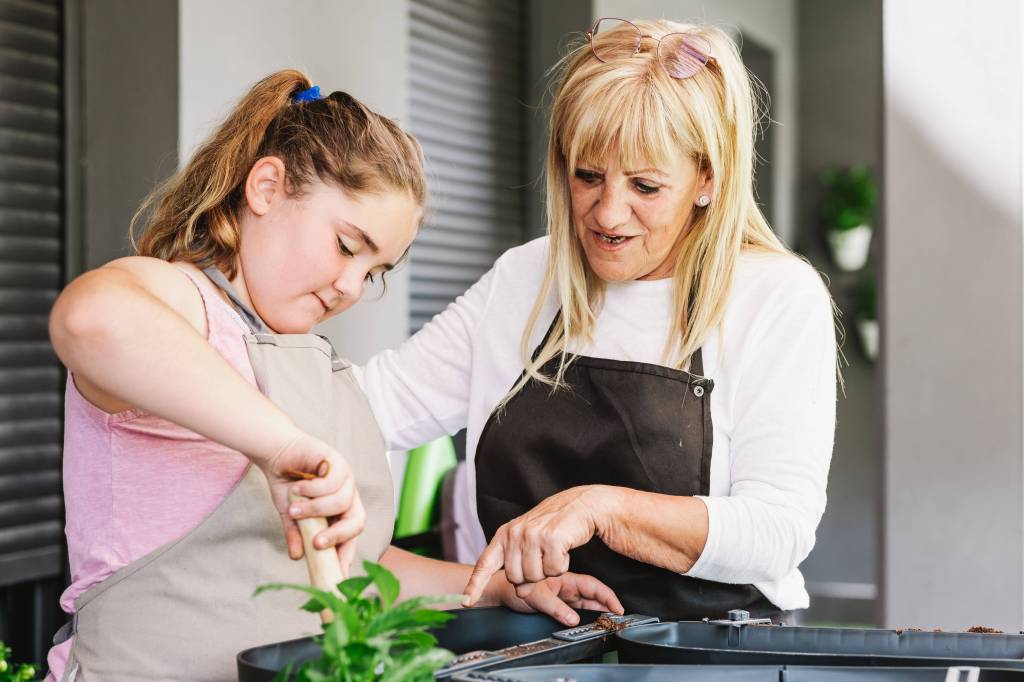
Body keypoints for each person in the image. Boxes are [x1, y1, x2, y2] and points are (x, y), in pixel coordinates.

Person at [45, 70, 620, 682]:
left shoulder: (316, 364)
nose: (352, 287)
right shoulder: (181, 302)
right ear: (266, 186)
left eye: (375, 271)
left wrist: (491, 587)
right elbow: (89, 319)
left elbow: (345, 571)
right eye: (348, 246)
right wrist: (281, 447)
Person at [359, 19, 837, 623]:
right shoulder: (525, 279)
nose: (608, 212)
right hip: (538, 645)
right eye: (587, 176)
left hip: (710, 655)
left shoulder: (774, 296)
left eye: (645, 185)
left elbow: (778, 529)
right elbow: (371, 408)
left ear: (708, 179)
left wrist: (602, 509)